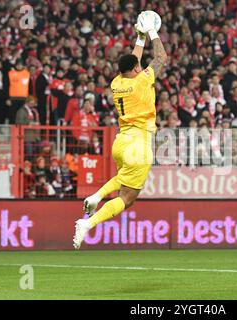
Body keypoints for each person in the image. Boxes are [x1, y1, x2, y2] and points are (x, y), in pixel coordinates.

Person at [73, 11, 167, 249]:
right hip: (139, 143)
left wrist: (139, 37)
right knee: (127, 199)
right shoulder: (142, 80)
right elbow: (161, 58)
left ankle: (95, 197)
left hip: (122, 142)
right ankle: (88, 224)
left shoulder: (118, 83)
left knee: (122, 181)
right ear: (137, 68)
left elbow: (132, 60)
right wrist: (152, 32)